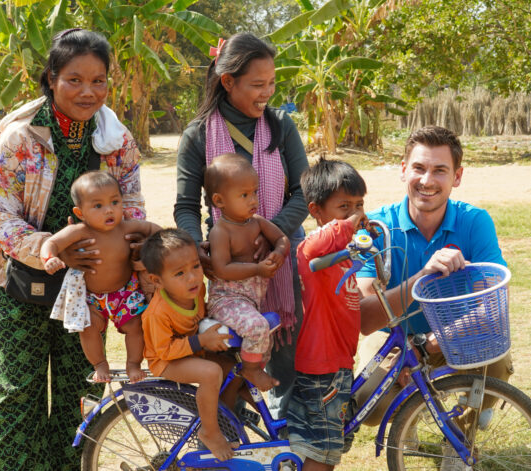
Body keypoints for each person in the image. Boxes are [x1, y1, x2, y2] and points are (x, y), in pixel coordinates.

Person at [0, 29, 146, 470]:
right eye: (74, 79)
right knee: (19, 398)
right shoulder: (16, 141)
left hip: (90, 295)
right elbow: (0, 219)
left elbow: (132, 208)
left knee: (80, 395)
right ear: (51, 78)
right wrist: (54, 252)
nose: (88, 91)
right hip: (18, 289)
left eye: (99, 80)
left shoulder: (117, 142)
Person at [175, 32, 309, 416]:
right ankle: (231, 431)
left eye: (271, 83)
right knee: (230, 358)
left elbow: (302, 192)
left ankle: (286, 432)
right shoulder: (198, 135)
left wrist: (270, 235)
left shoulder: (282, 127)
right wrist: (197, 245)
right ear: (227, 81)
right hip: (227, 269)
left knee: (286, 350)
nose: (267, 92)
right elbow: (186, 205)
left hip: (283, 259)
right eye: (257, 84)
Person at [354, 125, 513, 426]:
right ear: (403, 170)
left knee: (497, 364)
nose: (427, 181)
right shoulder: (376, 227)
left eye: (440, 170)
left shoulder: (474, 222)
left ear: (457, 177)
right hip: (394, 338)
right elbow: (365, 318)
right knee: (367, 405)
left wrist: (427, 345)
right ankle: (408, 418)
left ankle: (464, 431)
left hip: (452, 339)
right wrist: (423, 277)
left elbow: (493, 309)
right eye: (418, 168)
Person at [286, 158, 370, 471]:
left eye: (359, 204)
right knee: (322, 454)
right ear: (316, 211)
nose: (356, 214)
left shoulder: (342, 257)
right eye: (344, 206)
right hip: (322, 368)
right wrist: (351, 223)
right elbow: (319, 243)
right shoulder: (310, 249)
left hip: (337, 365)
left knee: (326, 445)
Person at [42, 171, 161, 383]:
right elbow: (52, 243)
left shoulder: (127, 227)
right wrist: (49, 257)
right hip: (91, 297)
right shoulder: (80, 231)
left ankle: (133, 364)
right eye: (98, 206)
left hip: (125, 292)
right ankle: (100, 364)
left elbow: (154, 229)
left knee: (136, 327)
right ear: (80, 213)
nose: (109, 210)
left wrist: (161, 243)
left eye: (115, 202)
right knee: (88, 328)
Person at [140, 229, 237, 462]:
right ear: (157, 281)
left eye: (195, 266)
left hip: (191, 351)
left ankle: (227, 422)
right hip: (165, 361)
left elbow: (200, 315)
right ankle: (210, 432)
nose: (193, 277)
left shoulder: (196, 289)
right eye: (180, 273)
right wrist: (200, 341)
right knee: (211, 372)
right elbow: (164, 351)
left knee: (233, 368)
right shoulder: (158, 313)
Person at [204, 153, 290, 391]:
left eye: (254, 192)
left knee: (265, 341)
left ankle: (243, 384)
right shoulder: (221, 232)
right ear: (219, 201)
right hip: (227, 302)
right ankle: (250, 371)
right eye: (244, 195)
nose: (253, 200)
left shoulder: (257, 222)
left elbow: (282, 238)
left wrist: (279, 252)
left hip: (249, 303)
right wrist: (258, 268)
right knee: (257, 328)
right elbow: (222, 268)